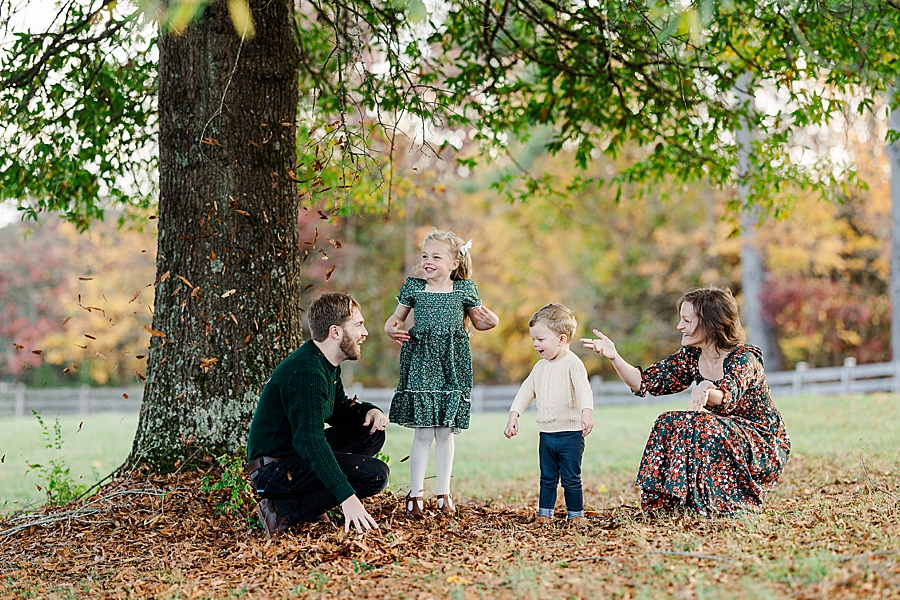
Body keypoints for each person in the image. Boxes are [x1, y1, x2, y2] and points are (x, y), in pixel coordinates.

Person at [581, 286, 790, 516]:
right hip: (724, 434)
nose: (680, 326)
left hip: (762, 443)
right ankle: (664, 505)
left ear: (711, 323)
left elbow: (725, 395)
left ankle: (730, 505)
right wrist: (615, 356)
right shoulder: (691, 356)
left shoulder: (744, 359)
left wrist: (705, 387)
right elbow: (644, 382)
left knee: (701, 424)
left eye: (687, 320)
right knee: (667, 421)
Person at [246, 292, 390, 537]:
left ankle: (310, 502)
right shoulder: (307, 372)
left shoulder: (324, 362)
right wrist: (347, 497)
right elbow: (310, 441)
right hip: (273, 471)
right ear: (335, 332)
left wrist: (370, 411)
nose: (364, 333)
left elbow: (338, 408)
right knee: (376, 476)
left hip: (292, 457)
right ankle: (282, 510)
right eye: (358, 325)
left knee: (371, 434)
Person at [384, 228, 499, 516]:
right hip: (421, 360)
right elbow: (396, 319)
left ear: (453, 263)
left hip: (452, 362)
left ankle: (443, 493)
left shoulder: (464, 290)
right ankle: (414, 494)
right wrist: (390, 328)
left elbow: (480, 322)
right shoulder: (414, 288)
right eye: (425, 256)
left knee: (445, 431)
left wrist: (493, 321)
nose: (428, 261)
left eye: (436, 256)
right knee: (424, 431)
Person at [504, 304, 595, 521]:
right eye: (534, 339)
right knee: (547, 478)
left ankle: (576, 516)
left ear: (561, 339)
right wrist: (514, 414)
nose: (535, 344)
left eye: (540, 339)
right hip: (546, 435)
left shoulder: (573, 364)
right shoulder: (540, 367)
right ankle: (544, 514)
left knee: (571, 479)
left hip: (570, 435)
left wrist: (587, 412)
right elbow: (526, 390)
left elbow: (584, 388)